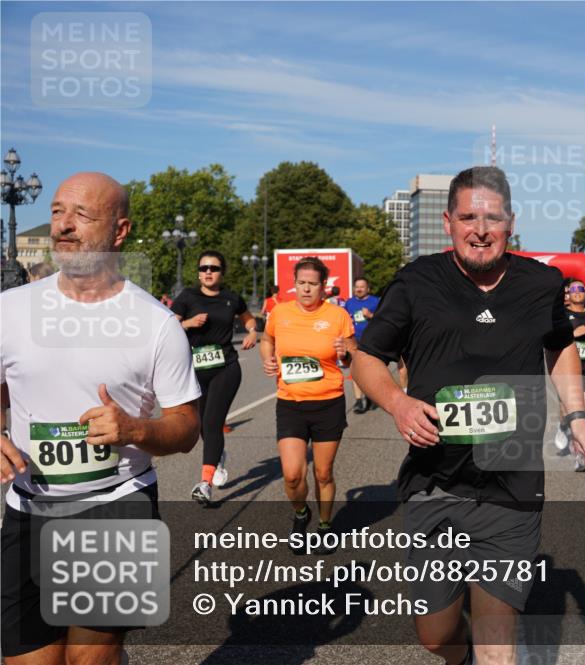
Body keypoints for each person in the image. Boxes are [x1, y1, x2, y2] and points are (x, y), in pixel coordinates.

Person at [353, 165, 585, 665]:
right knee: (436, 636)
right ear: (448, 222)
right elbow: (366, 357)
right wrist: (398, 403)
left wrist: (576, 413)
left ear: (511, 223)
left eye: (492, 218)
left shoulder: (541, 283)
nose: (480, 230)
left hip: (512, 488)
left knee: (496, 647)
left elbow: (560, 348)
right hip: (435, 483)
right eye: (468, 217)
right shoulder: (417, 282)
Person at [0, 172, 201, 664]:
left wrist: (136, 430)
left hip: (114, 505)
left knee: (87, 660)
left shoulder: (156, 324)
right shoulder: (9, 309)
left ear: (121, 230)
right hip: (28, 506)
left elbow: (187, 427)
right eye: (56, 212)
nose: (64, 226)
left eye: (82, 215)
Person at [259, 256, 356, 553]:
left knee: (323, 473)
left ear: (323, 286)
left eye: (312, 284)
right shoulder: (280, 312)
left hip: (328, 403)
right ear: (294, 283)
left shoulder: (338, 317)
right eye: (301, 283)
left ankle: (325, 525)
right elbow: (267, 339)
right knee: (292, 474)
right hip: (291, 403)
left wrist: (344, 353)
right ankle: (301, 513)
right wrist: (267, 357)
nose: (306, 290)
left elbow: (353, 356)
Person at [171, 250, 257, 505]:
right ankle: (216, 457)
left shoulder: (231, 299)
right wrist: (188, 323)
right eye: (204, 267)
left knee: (212, 423)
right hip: (195, 370)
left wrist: (252, 332)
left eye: (214, 268)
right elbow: (168, 327)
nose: (208, 272)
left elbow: (249, 319)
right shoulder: (187, 297)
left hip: (226, 368)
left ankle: (205, 483)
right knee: (202, 426)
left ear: (222, 272)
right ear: (198, 272)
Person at [553, 280, 585, 471]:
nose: (578, 292)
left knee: (581, 413)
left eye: (581, 289)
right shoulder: (562, 314)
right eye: (573, 289)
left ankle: (580, 457)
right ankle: (563, 426)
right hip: (566, 368)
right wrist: (574, 333)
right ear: (568, 294)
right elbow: (556, 336)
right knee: (567, 412)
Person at [344, 277, 380, 413]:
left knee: (371, 371)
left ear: (368, 289)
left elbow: (384, 318)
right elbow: (345, 318)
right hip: (354, 341)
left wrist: (371, 315)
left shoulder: (376, 301)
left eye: (362, 287)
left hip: (372, 341)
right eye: (356, 287)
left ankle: (370, 396)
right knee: (355, 370)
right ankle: (359, 401)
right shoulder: (349, 302)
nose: (359, 289)